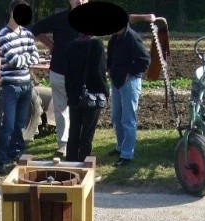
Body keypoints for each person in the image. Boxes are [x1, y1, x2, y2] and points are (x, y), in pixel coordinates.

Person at [30, 0, 88, 159]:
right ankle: (63, 145)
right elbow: (36, 29)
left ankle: (77, 143)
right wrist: (50, 45)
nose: (80, 1)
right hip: (59, 71)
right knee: (61, 109)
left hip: (80, 74)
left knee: (80, 109)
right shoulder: (60, 18)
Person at [0, 0, 40, 175]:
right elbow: (14, 61)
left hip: (26, 85)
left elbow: (35, 56)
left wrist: (25, 60)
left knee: (21, 124)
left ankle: (16, 155)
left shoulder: (27, 34)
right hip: (11, 86)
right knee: (8, 125)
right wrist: (26, 60)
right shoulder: (3, 35)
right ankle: (1, 160)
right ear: (12, 12)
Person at [106, 18, 151, 167]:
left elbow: (144, 60)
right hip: (116, 82)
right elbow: (110, 59)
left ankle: (127, 154)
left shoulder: (132, 37)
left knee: (128, 120)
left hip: (129, 83)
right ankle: (120, 147)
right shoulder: (115, 38)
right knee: (116, 117)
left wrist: (129, 73)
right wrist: (108, 70)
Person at [64, 33, 107, 162]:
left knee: (74, 131)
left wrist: (70, 93)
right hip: (92, 94)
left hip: (74, 93)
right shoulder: (96, 44)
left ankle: (70, 162)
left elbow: (67, 73)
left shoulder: (72, 45)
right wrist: (105, 91)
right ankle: (84, 163)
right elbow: (100, 71)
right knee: (87, 133)